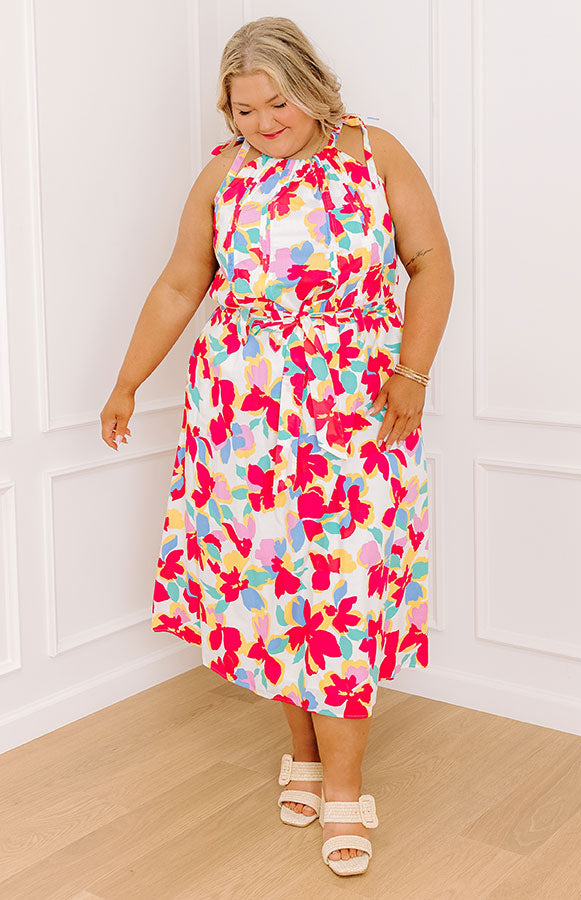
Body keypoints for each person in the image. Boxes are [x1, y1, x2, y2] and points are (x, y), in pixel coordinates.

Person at [100, 15, 453, 878]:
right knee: (276, 587)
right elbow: (182, 283)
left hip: (355, 414)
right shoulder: (224, 174)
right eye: (244, 109)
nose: (263, 123)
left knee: (342, 588)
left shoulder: (374, 154)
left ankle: (346, 786)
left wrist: (412, 372)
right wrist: (127, 381)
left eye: (278, 104)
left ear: (314, 88)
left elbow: (431, 261)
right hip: (244, 420)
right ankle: (304, 756)